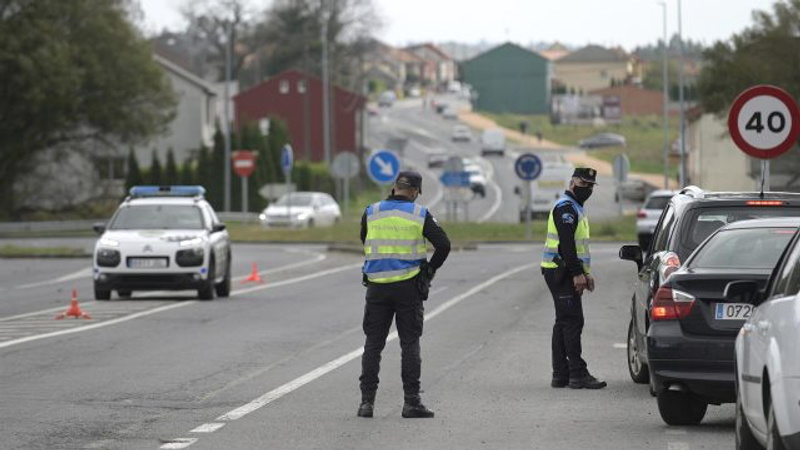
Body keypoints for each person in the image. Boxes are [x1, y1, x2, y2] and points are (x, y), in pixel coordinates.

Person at [357, 171, 451, 419]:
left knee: (373, 344)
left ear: (394, 188)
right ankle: (411, 402)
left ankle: (366, 403)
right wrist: (429, 271)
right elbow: (444, 245)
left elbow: (365, 240)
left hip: (377, 286)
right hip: (408, 287)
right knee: (409, 343)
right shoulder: (420, 213)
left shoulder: (372, 211)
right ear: (415, 192)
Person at [541, 168, 607, 390]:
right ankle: (577, 374)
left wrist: (584, 272)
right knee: (572, 321)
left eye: (590, 185)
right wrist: (577, 274)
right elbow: (567, 245)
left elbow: (577, 248)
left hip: (560, 270)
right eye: (584, 183)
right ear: (573, 183)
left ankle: (560, 375)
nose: (587, 188)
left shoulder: (575, 208)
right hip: (561, 271)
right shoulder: (566, 209)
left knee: (563, 322)